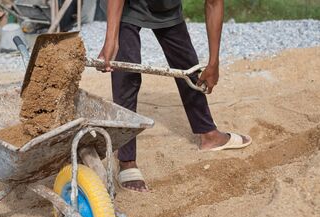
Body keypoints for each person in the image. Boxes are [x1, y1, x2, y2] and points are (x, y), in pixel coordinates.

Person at [98, 0, 251, 192]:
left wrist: (214, 63)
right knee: (126, 74)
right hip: (126, 6)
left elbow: (214, 3)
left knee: (187, 65)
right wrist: (111, 38)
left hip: (165, 8)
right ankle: (127, 160)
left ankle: (208, 134)